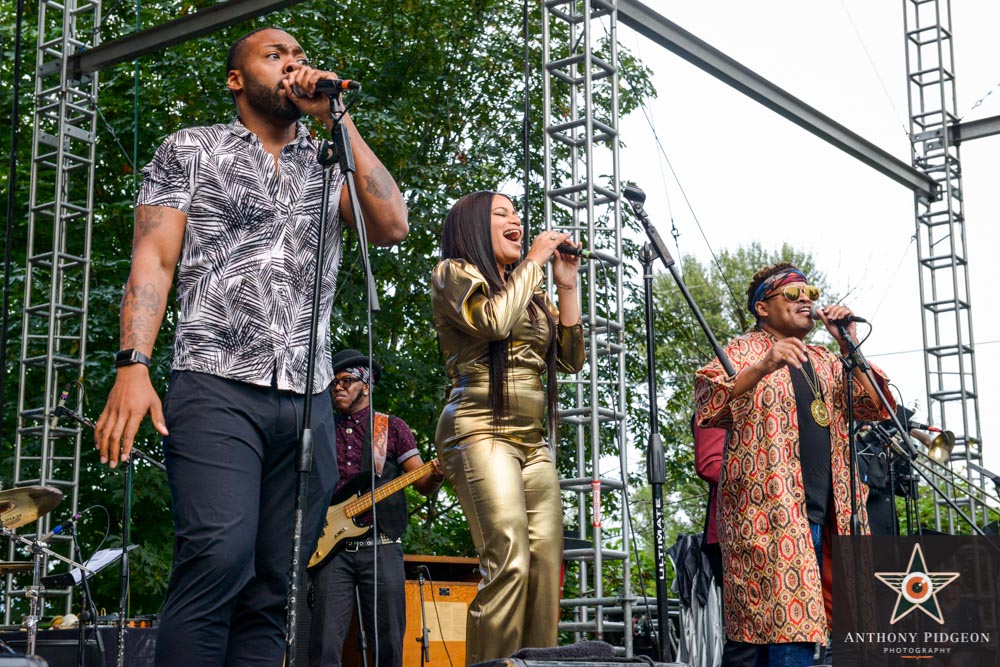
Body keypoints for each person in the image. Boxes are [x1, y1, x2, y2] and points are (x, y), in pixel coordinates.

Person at [93, 27, 408, 667]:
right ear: (238, 79)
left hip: (306, 396)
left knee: (274, 585)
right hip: (214, 381)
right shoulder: (192, 148)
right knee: (218, 554)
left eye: (300, 57)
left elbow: (392, 225)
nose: (293, 65)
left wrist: (338, 119)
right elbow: (152, 260)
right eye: (275, 56)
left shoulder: (328, 159)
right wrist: (134, 365)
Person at [694, 262, 894, 667]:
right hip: (771, 517)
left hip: (831, 514)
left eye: (811, 294)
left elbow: (877, 405)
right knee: (788, 631)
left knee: (813, 632)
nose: (805, 299)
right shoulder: (741, 352)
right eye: (792, 294)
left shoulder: (825, 359)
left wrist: (849, 344)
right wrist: (764, 365)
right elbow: (708, 404)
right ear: (762, 308)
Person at [429, 191, 585, 664]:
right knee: (510, 559)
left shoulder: (531, 295)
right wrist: (535, 259)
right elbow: (494, 322)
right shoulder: (454, 274)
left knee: (544, 568)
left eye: (516, 213)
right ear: (475, 228)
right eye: (502, 214)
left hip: (531, 441)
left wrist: (566, 285)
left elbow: (571, 360)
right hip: (478, 428)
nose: (516, 220)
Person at [309, 349, 444, 667]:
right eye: (333, 383)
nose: (337, 388)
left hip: (381, 547)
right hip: (331, 551)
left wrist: (436, 475)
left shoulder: (392, 427)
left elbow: (421, 483)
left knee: (389, 643)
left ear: (366, 384)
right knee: (324, 645)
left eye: (346, 381)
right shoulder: (322, 429)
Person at [692, 419, 759, 667]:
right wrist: (768, 473)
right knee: (747, 638)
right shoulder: (721, 387)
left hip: (774, 530)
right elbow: (710, 464)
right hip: (735, 534)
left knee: (774, 636)